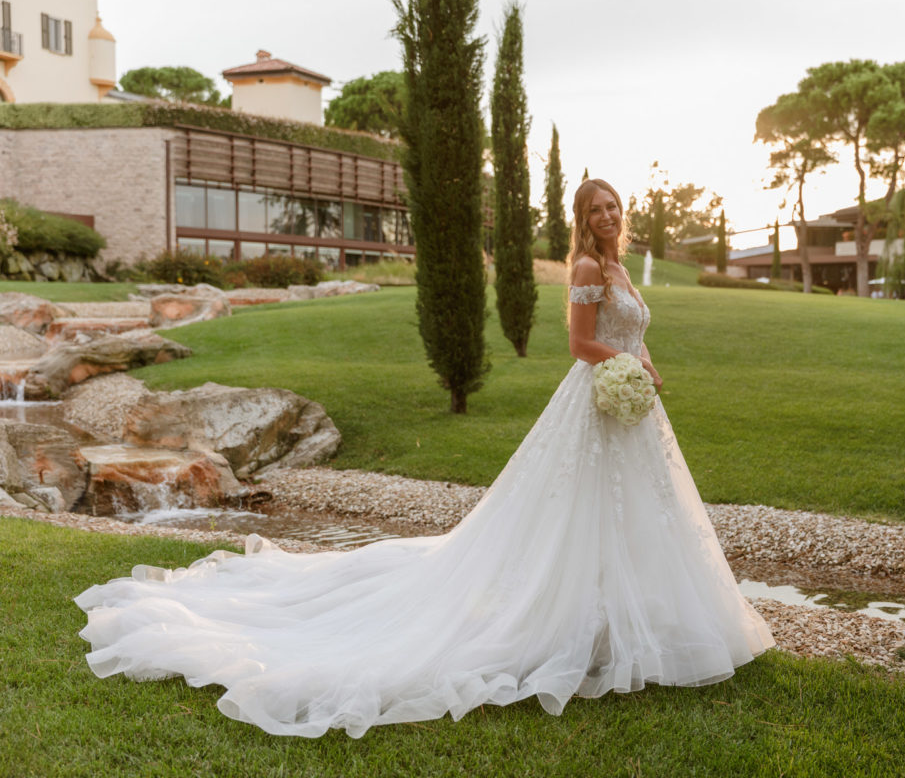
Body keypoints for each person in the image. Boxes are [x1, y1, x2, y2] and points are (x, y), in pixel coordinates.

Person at [74, 178, 775, 739]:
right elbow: (582, 345)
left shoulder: (621, 262)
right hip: (595, 401)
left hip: (634, 409)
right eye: (595, 208)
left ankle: (624, 617)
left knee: (640, 515)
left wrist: (645, 368)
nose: (607, 214)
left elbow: (631, 334)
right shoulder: (588, 267)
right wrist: (623, 366)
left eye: (613, 205)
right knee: (576, 512)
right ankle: (570, 618)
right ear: (580, 218)